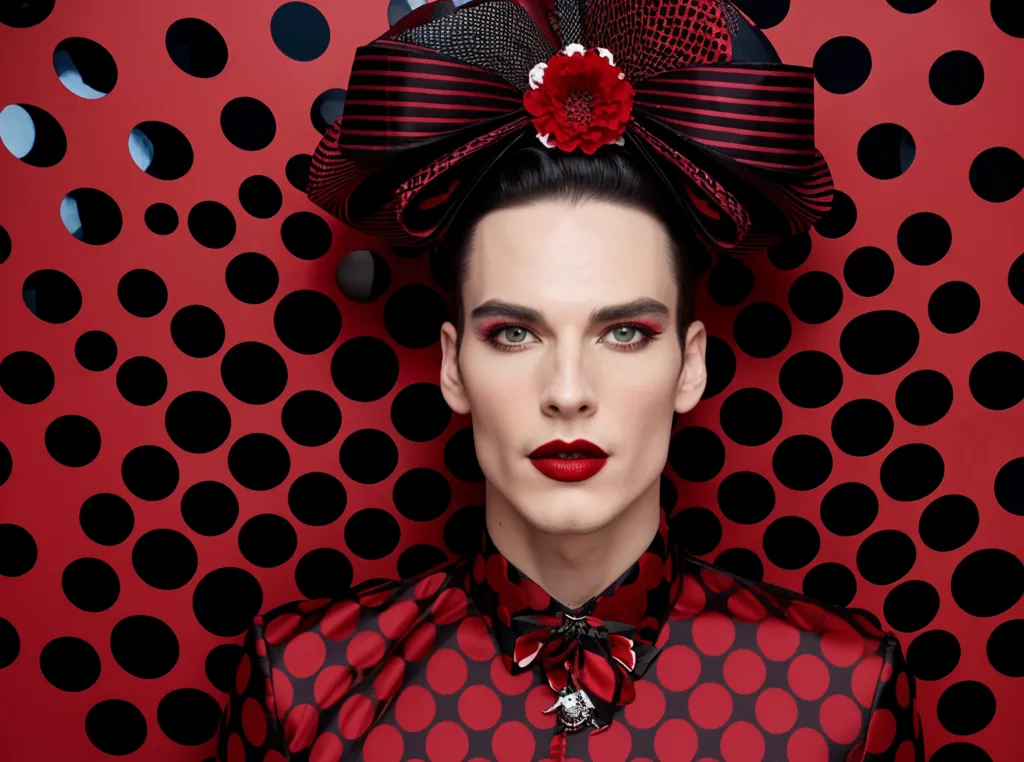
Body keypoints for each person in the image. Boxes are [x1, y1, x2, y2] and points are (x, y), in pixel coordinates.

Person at [217, 1, 925, 760]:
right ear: (454, 365)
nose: (567, 390)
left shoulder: (843, 691)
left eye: (624, 333)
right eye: (514, 333)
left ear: (690, 364)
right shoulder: (301, 682)